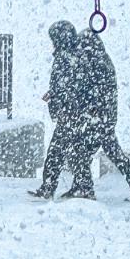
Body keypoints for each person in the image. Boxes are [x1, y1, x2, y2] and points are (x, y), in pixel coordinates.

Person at [70, 31, 130, 201]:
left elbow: (94, 91)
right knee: (102, 153)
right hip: (104, 117)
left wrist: (90, 109)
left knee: (83, 152)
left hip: (99, 118)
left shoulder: (97, 63)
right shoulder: (102, 60)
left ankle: (84, 188)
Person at [29, 21, 86, 200]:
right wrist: (54, 93)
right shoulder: (72, 55)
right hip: (72, 112)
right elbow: (68, 84)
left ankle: (50, 187)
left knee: (57, 152)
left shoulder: (65, 57)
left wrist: (61, 104)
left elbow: (67, 85)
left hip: (68, 113)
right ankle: (81, 186)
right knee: (72, 152)